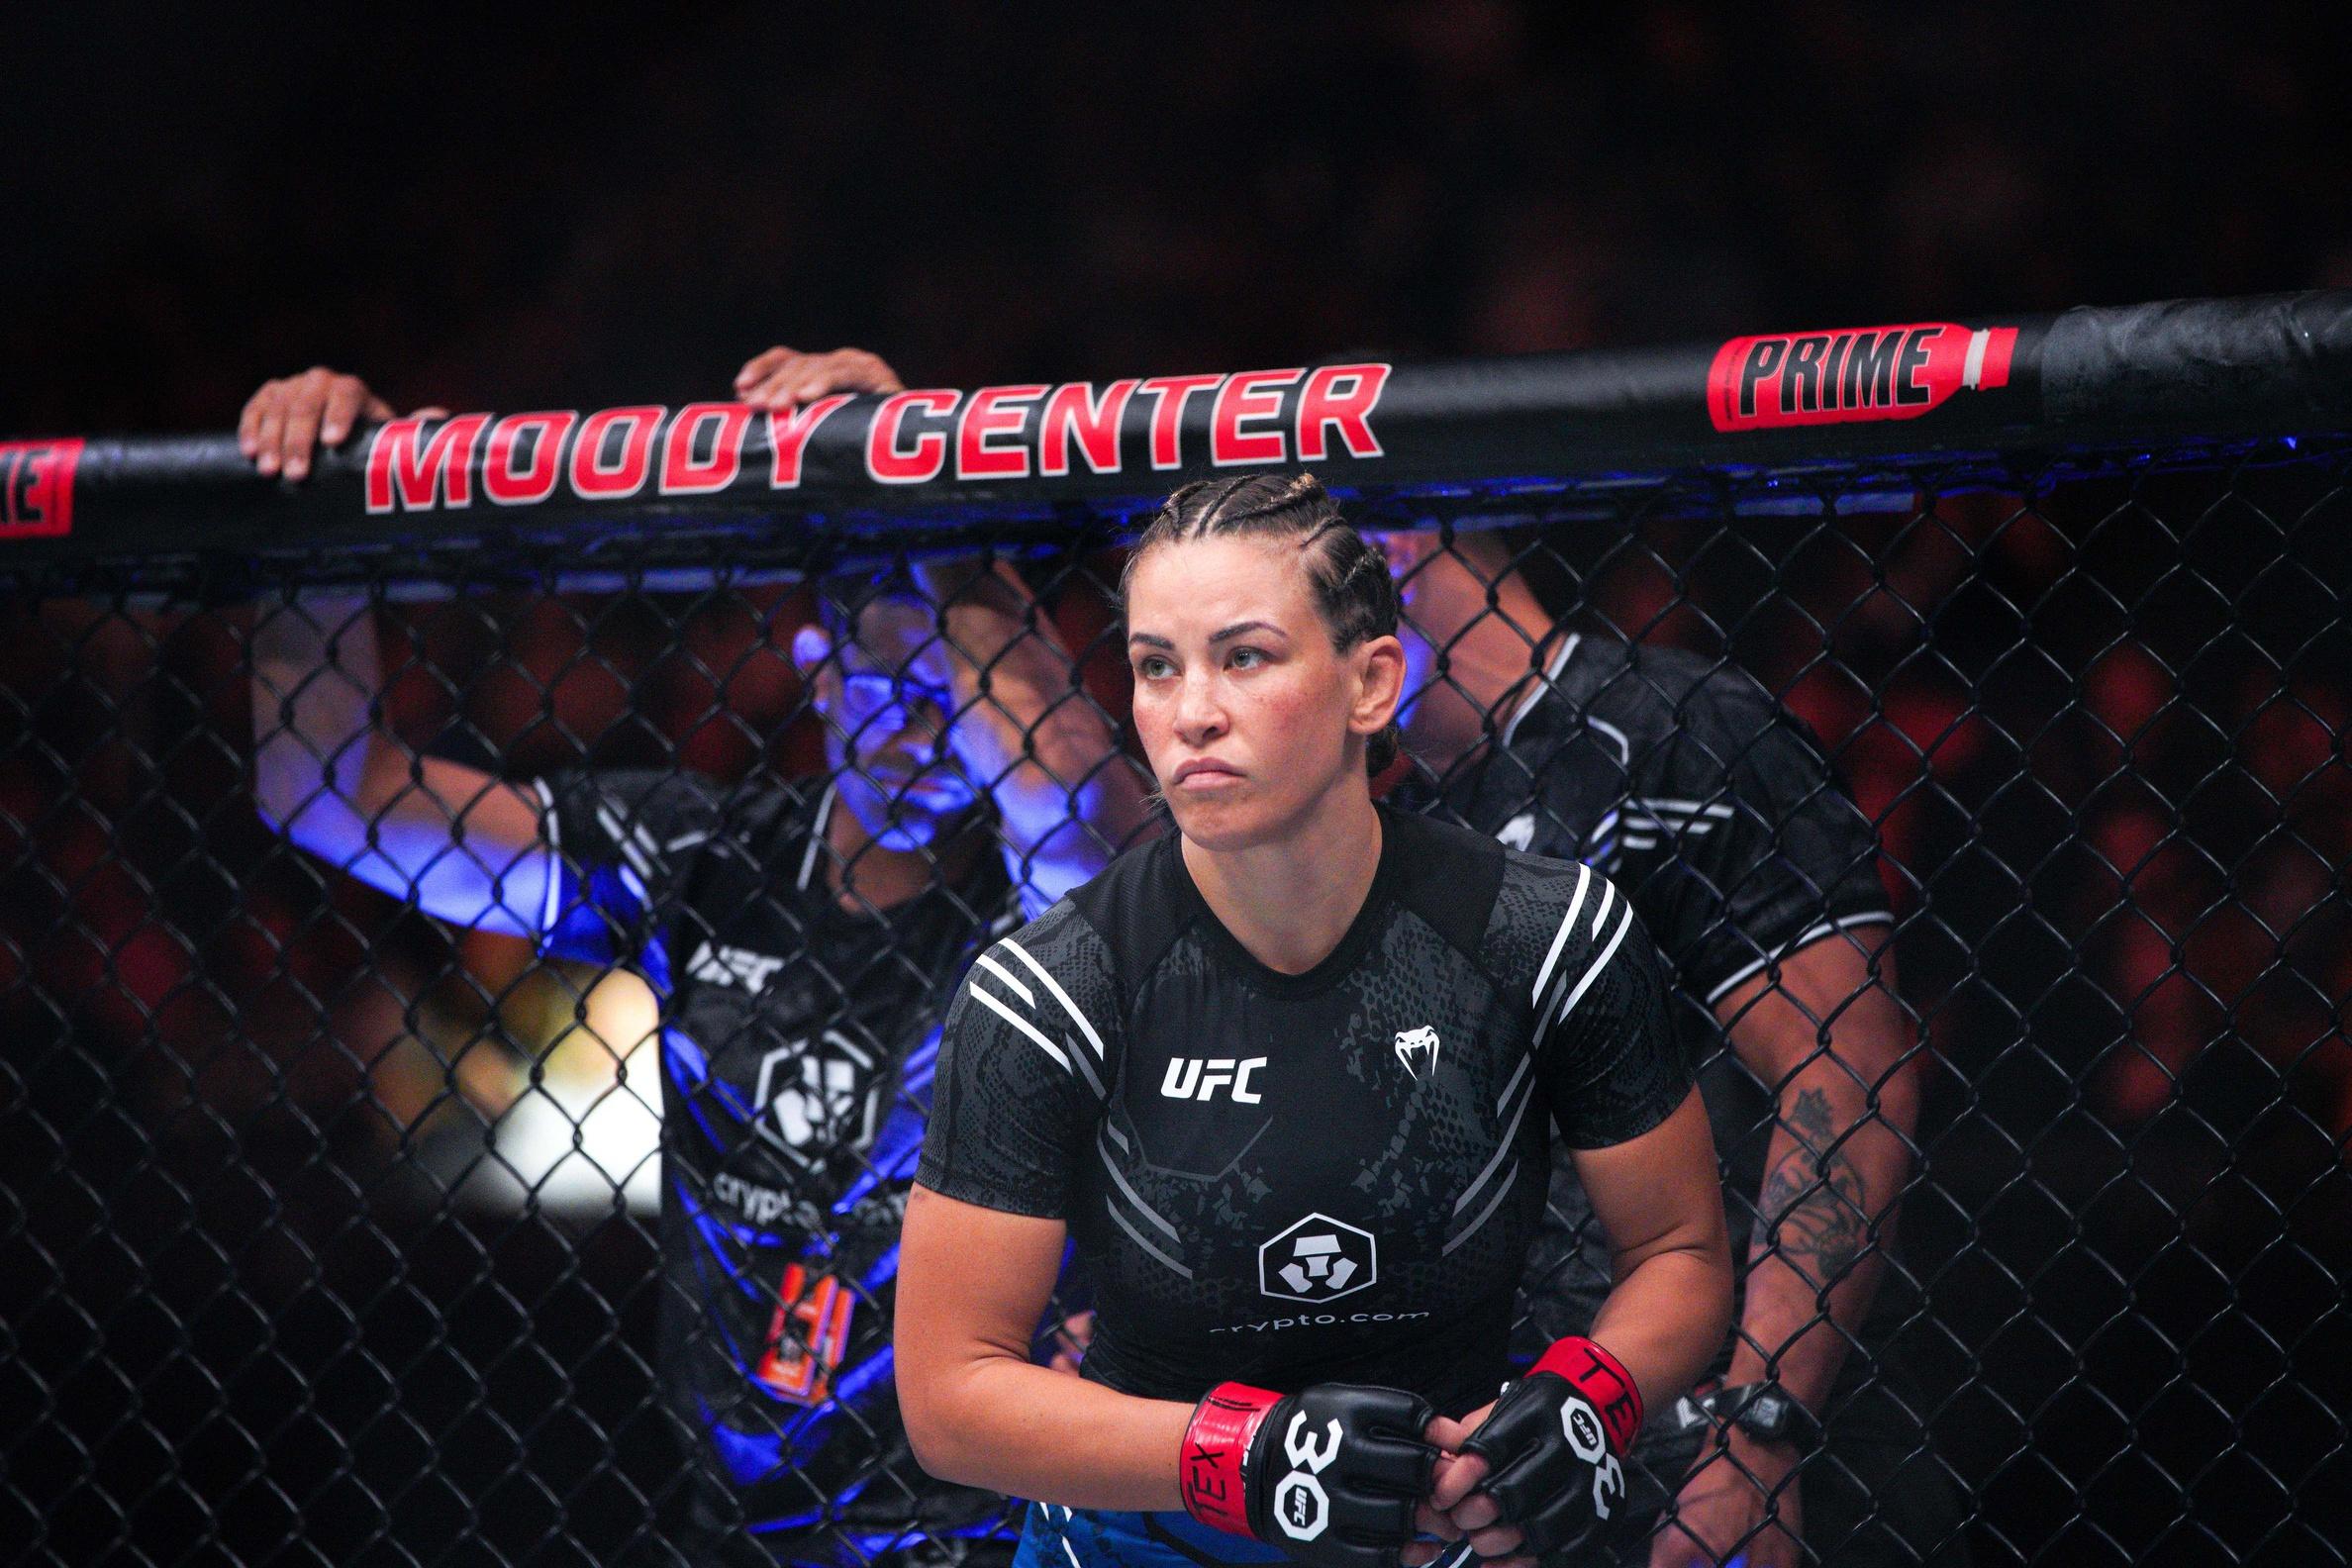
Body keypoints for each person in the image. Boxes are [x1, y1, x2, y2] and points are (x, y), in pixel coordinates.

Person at [243, 352, 1153, 1568]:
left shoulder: (1053, 891)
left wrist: (906, 465)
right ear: (821, 672)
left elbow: (1073, 796)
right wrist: (322, 508)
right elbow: (327, 791)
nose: (926, 719)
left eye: (958, 685)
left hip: (1006, 1525)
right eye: (892, 675)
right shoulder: (705, 853)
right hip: (743, 1525)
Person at [895, 473, 1734, 1568]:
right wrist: (1244, 1455)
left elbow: (1680, 1250)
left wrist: (1587, 1398)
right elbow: (950, 1397)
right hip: (1146, 1545)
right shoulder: (1053, 987)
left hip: (1454, 1533)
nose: (1191, 710)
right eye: (1157, 666)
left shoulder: (1544, 933)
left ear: (1371, 681)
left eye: (1243, 656)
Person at [1377, 528, 1970, 1568]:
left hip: (1721, 1424)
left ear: (1391, 552)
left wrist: (1761, 1432)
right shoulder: (1375, 822)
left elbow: (1849, 1067)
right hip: (1499, 1458)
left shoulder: (1666, 726)